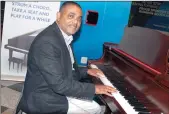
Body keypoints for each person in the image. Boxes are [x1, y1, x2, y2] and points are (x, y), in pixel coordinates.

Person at [16, 1, 116, 114]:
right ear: (58, 16)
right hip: (43, 99)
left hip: (53, 90)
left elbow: (67, 69)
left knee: (93, 105)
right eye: (71, 16)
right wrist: (95, 88)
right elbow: (60, 85)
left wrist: (86, 71)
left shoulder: (63, 36)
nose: (75, 22)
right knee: (95, 108)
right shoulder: (47, 42)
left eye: (79, 18)